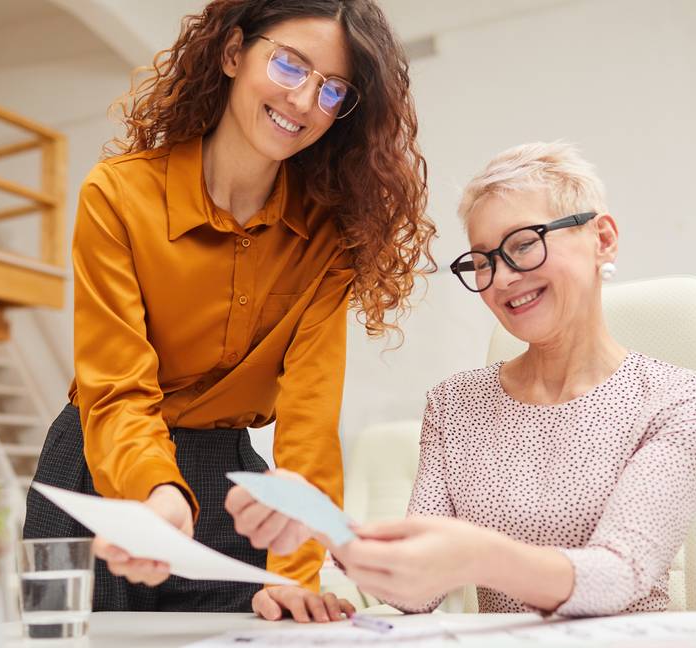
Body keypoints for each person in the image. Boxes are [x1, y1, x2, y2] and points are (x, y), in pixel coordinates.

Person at [23, 0, 434, 623]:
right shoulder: (117, 195)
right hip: (98, 471)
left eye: (333, 90)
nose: (304, 101)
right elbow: (116, 388)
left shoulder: (329, 239)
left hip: (233, 489)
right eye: (291, 66)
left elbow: (310, 416)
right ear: (234, 52)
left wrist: (295, 571)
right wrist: (156, 490)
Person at [226, 142, 696, 616]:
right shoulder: (455, 405)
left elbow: (620, 575)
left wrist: (478, 557)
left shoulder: (676, 399)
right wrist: (322, 528)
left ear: (603, 239)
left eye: (523, 244)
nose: (501, 279)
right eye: (483, 261)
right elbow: (417, 592)